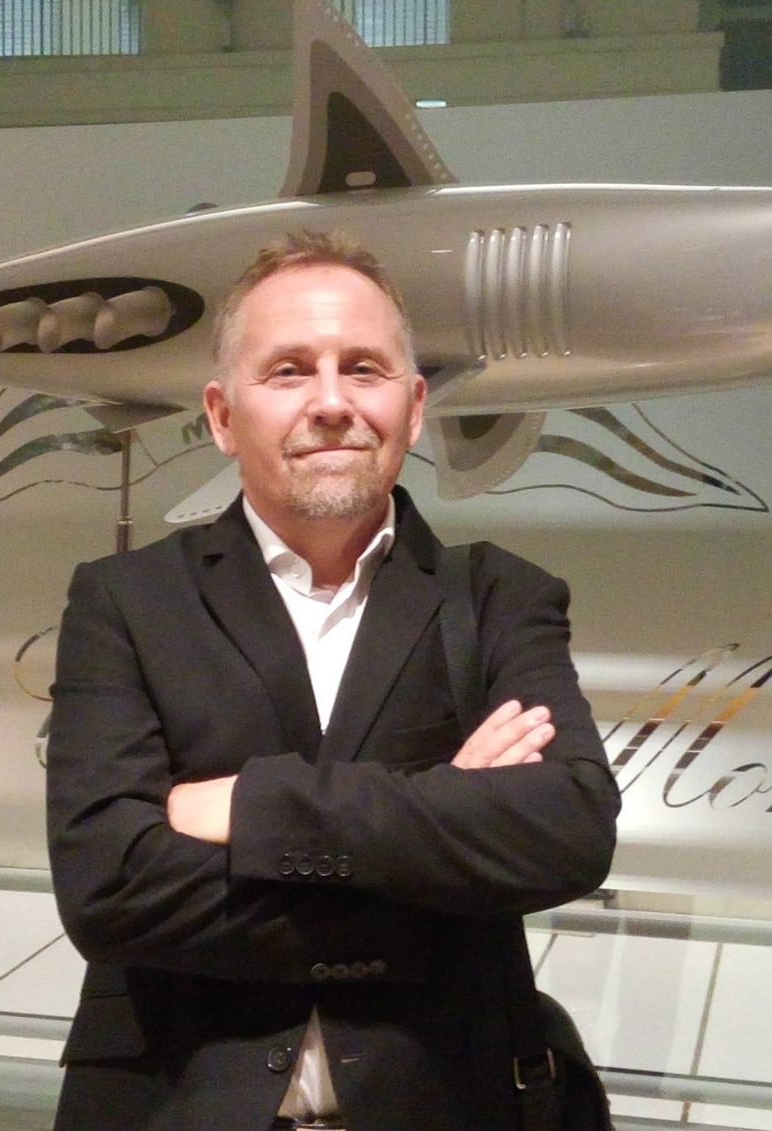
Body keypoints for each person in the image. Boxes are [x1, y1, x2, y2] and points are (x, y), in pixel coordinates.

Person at [46, 229, 621, 1131]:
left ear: (414, 404)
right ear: (222, 415)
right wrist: (444, 824)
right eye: (288, 371)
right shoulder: (123, 599)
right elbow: (109, 888)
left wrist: (256, 807)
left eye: (363, 368)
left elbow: (569, 830)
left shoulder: (499, 596)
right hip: (179, 1103)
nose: (330, 401)